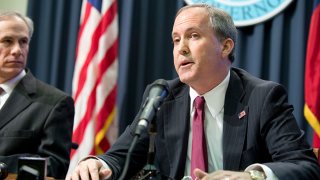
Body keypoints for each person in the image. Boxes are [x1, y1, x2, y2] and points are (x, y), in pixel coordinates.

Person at [67, 4, 320, 180]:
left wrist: (252, 176)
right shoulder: (162, 96)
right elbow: (123, 155)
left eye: (193, 36)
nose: (181, 49)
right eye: (176, 40)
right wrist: (96, 163)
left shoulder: (262, 97)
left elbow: (304, 166)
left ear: (225, 46)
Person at [0, 11, 74, 178]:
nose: (17, 50)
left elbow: (55, 166)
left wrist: (3, 166)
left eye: (23, 42)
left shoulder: (55, 102)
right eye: (7, 41)